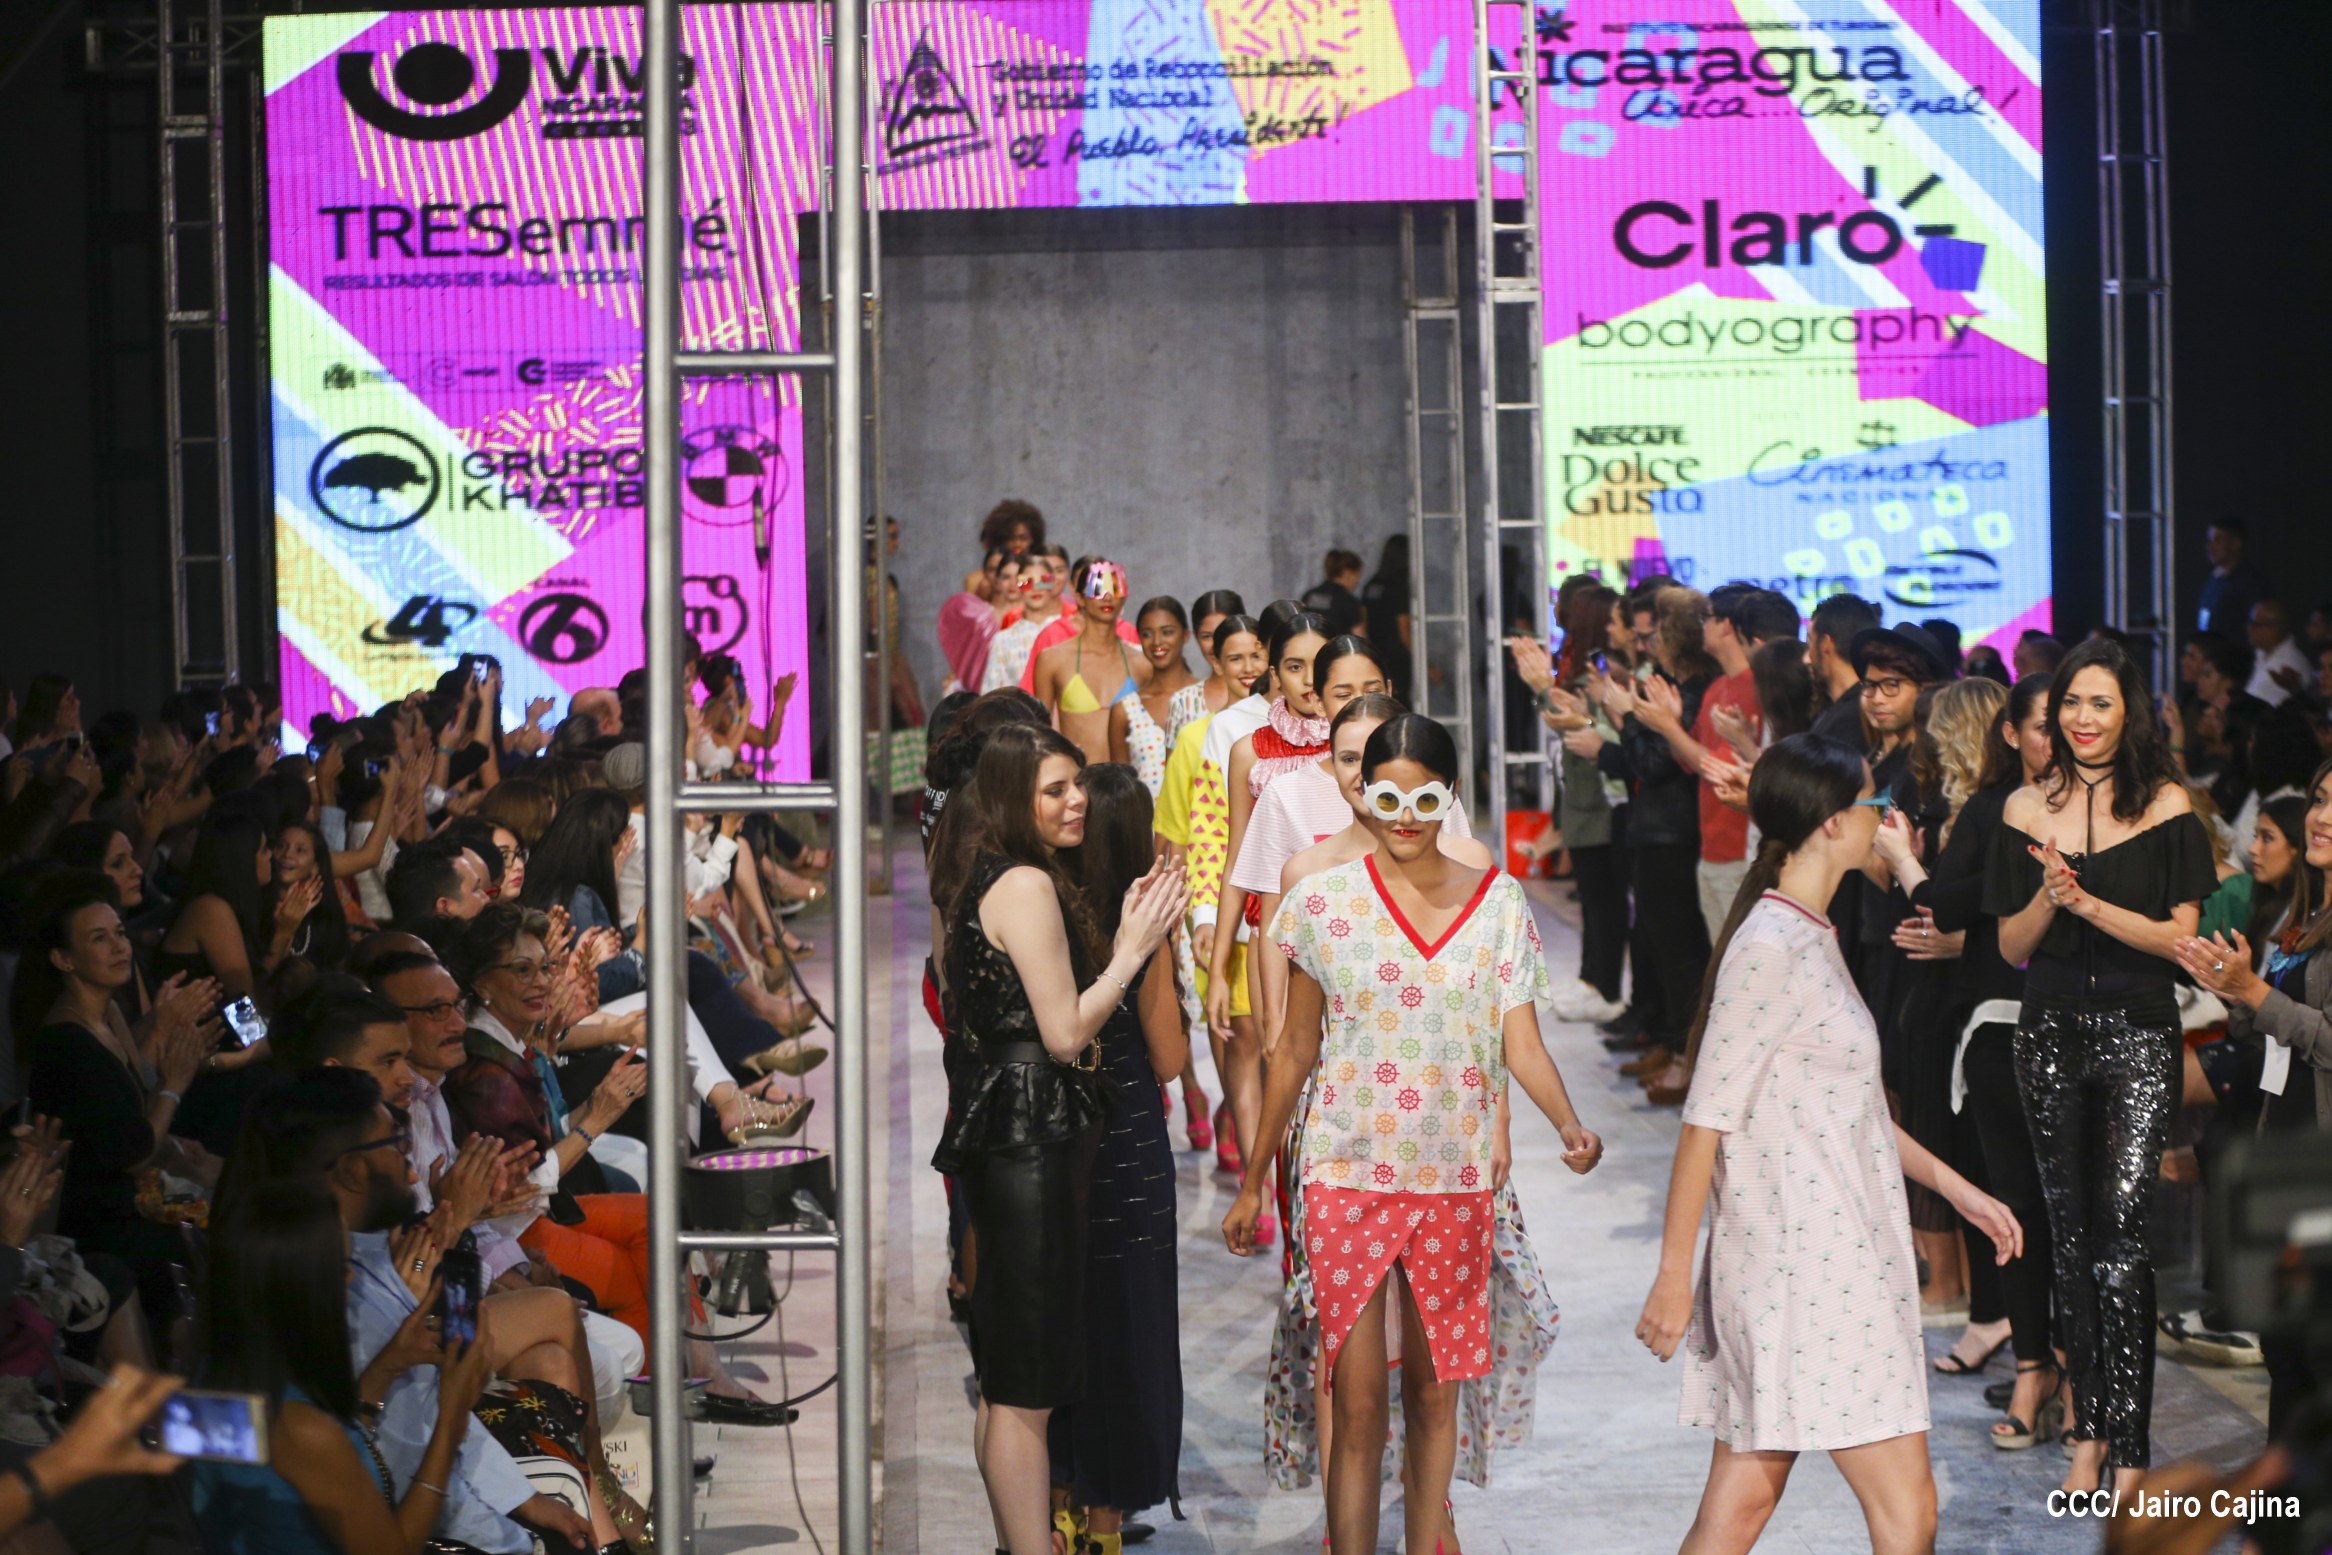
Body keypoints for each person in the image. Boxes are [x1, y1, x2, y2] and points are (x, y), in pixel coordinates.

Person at [1225, 713, 1602, 1555]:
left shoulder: (1498, 903)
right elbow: (1295, 1048)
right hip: (1344, 1174)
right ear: (1360, 792)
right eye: (1385, 796)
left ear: (1450, 795)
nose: (1403, 816)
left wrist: (1568, 1122)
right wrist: (1254, 1180)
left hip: (1454, 1180)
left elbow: (1520, 1042)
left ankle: (1427, 1538)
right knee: (1358, 1403)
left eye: (1423, 798)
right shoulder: (1321, 903)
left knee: (1436, 1396)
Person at [1635, 734, 2021, 1555]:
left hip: (1825, 1257)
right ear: (1833, 823)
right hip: (1806, 1266)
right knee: (1907, 1510)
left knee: (1743, 1502)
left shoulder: (1806, 933)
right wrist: (1672, 1275)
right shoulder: (1769, 948)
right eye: (1875, 804)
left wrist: (1962, 1191)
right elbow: (1705, 1120)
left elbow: (1852, 1111)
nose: (1888, 818)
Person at [926, 723, 1185, 1555]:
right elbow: (1066, 1032)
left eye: (1077, 784)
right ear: (1012, 797)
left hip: (1015, 1136)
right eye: (1055, 790)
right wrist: (1132, 950)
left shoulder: (991, 873)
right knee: (1025, 1392)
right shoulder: (1026, 884)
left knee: (1012, 1383)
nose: (1077, 801)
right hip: (1029, 1144)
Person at [1985, 638, 2218, 1496]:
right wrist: (2049, 900)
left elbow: (2182, 939)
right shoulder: (2023, 806)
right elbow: (2009, 947)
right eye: (2071, 704)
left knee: (2123, 1241)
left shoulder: (2166, 803)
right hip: (2047, 1031)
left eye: (2101, 703)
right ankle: (2086, 1433)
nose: (2083, 719)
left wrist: (2089, 902)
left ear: (2129, 713)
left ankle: (2131, 1447)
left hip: (2137, 1033)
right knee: (2070, 1238)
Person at [1878, 674, 2063, 1448]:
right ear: (2011, 732)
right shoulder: (1993, 808)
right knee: (2015, 1206)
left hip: (2090, 1024)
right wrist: (1907, 864)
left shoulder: (2116, 808)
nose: (2066, 732)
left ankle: (2077, 1375)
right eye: (2047, 721)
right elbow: (1946, 904)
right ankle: (2033, 1367)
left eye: (2086, 712)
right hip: (1999, 1022)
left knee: (2084, 1217)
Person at [191, 1178, 501, 1555]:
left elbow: (298, 1479)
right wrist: (453, 1417)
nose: (352, 1278)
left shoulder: (210, 1371)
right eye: (340, 1267)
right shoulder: (298, 1428)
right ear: (296, 1286)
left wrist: (385, 1369)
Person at [1048, 763, 1188, 1555]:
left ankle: (1057, 1510)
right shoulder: (1143, 928)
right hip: (1128, 1150)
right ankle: (1103, 1528)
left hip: (1056, 1150)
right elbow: (1169, 1057)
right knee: (1127, 1332)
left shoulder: (1045, 914)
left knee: (1064, 1325)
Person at [2174, 757, 2332, 1432]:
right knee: (2286, 1350)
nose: (2322, 816)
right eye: (2320, 799)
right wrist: (2233, 990)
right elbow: (2274, 1020)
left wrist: (2254, 993)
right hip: (2287, 1148)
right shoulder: (2308, 912)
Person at [16, 876, 221, 1313]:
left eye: (120, 933)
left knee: (232, 1197)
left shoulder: (107, 1012)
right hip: (106, 1217)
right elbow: (133, 1151)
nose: (119, 947)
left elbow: (131, 1103)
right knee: (218, 1224)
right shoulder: (67, 1042)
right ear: (63, 959)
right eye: (99, 938)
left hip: (137, 1194)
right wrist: (175, 1083)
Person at [1206, 610, 1333, 1227]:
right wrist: (1216, 970)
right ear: (1273, 673)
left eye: (1318, 665)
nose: (1308, 679)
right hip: (1273, 939)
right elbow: (1239, 861)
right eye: (1293, 666)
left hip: (1358, 937)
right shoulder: (1248, 750)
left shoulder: (1364, 745)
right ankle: (1294, 1244)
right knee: (1285, 1079)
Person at [1580, 588, 1721, 1095]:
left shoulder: (1697, 689)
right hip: (1658, 828)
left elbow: (1656, 763)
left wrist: (1624, 717)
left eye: (1654, 633)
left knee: (1681, 953)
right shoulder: (1678, 685)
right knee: (1662, 948)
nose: (1646, 643)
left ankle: (1686, 1056)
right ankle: (1672, 1045)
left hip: (1675, 832)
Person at [1511, 584, 1630, 1024]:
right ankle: (1591, 979)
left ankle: (1605, 986)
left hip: (1599, 799)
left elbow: (1571, 724)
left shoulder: (1601, 673)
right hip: (1581, 796)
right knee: (1594, 899)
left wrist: (1544, 687)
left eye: (1565, 608)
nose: (1557, 615)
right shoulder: (1577, 665)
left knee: (1605, 900)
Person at [1031, 558, 1148, 766]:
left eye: (1115, 588)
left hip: (1130, 780)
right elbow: (1039, 736)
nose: (1107, 597)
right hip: (1077, 779)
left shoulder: (1142, 664)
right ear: (1080, 598)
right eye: (1098, 588)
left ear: (1125, 596)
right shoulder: (1052, 660)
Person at [1108, 596, 1205, 796]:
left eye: (1167, 632)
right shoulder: (1125, 710)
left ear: (1186, 635)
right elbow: (1122, 794)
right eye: (1147, 634)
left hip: (1203, 815)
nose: (1157, 642)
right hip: (1144, 816)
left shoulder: (1209, 698)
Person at [984, 544, 1070, 694]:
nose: (1036, 587)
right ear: (1018, 585)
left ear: (1053, 583)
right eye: (1027, 582)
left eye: (1044, 580)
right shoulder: (1003, 641)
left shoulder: (1070, 632)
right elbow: (991, 693)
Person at [1805, 593, 1881, 751]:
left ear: (1825, 644)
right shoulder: (1866, 708)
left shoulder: (1845, 723)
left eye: (1810, 642)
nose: (1807, 658)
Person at [1360, 535, 1414, 705]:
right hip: (1397, 655)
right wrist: (1426, 665)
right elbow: (1404, 630)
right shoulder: (1399, 585)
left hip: (1375, 654)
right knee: (1399, 704)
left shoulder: (1372, 585)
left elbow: (1363, 625)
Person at [2196, 518, 2269, 636]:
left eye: (2217, 540)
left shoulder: (2250, 583)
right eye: (2209, 541)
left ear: (2236, 543)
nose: (2210, 547)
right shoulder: (2213, 580)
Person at [2247, 600, 2316, 708]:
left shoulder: (2291, 664)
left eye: (2256, 624)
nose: (2249, 628)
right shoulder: (2261, 653)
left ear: (2275, 628)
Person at [1300, 548, 1366, 639]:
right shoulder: (1349, 601)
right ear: (1347, 573)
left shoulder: (1309, 595)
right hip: (1337, 647)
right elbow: (1358, 638)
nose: (1357, 582)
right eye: (1357, 576)